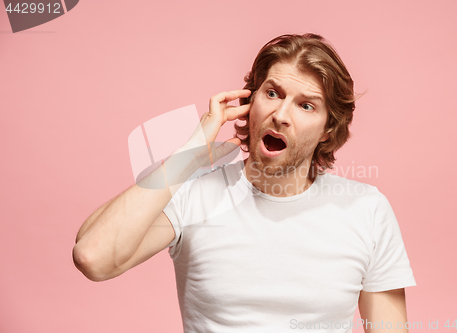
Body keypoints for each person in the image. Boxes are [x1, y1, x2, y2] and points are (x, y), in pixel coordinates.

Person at [73, 33, 416, 332]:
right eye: (272, 93)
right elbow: (93, 257)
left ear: (329, 128)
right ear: (248, 103)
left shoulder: (366, 210)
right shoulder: (194, 195)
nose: (281, 115)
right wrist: (187, 155)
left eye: (306, 105)